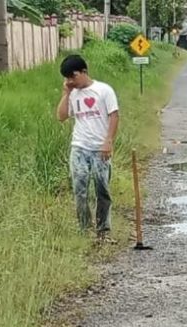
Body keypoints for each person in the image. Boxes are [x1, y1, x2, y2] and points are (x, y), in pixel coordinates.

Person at [56, 54, 119, 243]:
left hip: (100, 148)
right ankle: (84, 228)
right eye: (67, 78)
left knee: (102, 188)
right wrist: (66, 94)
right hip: (79, 147)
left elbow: (114, 116)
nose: (70, 81)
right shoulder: (73, 93)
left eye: (73, 77)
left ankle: (103, 230)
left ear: (84, 72)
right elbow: (61, 117)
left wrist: (108, 142)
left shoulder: (103, 90)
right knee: (80, 189)